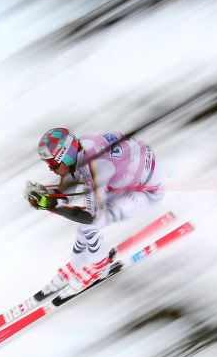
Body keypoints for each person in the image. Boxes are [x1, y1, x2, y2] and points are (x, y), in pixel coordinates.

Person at [24, 127, 165, 300]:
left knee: (89, 227)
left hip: (146, 192)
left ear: (65, 156)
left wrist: (52, 206)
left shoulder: (97, 167)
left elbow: (91, 218)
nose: (51, 170)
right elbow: (69, 187)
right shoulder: (81, 150)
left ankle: (100, 265)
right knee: (84, 226)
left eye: (52, 164)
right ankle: (79, 264)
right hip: (135, 175)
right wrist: (45, 196)